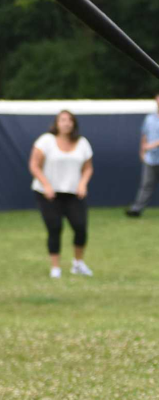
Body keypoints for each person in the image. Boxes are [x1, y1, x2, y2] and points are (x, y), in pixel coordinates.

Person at [27, 110, 94, 278]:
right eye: (63, 120)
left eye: (70, 120)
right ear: (57, 123)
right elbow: (34, 165)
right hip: (48, 194)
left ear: (74, 124)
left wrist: (83, 184)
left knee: (80, 227)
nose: (66, 123)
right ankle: (55, 268)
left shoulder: (82, 143)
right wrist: (47, 185)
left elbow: (88, 167)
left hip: (73, 193)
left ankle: (78, 264)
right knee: (55, 227)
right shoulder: (45, 141)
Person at [126, 93, 159, 217]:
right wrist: (142, 151)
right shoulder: (149, 118)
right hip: (151, 159)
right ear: (156, 102)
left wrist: (152, 145)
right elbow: (144, 135)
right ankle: (136, 210)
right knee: (146, 186)